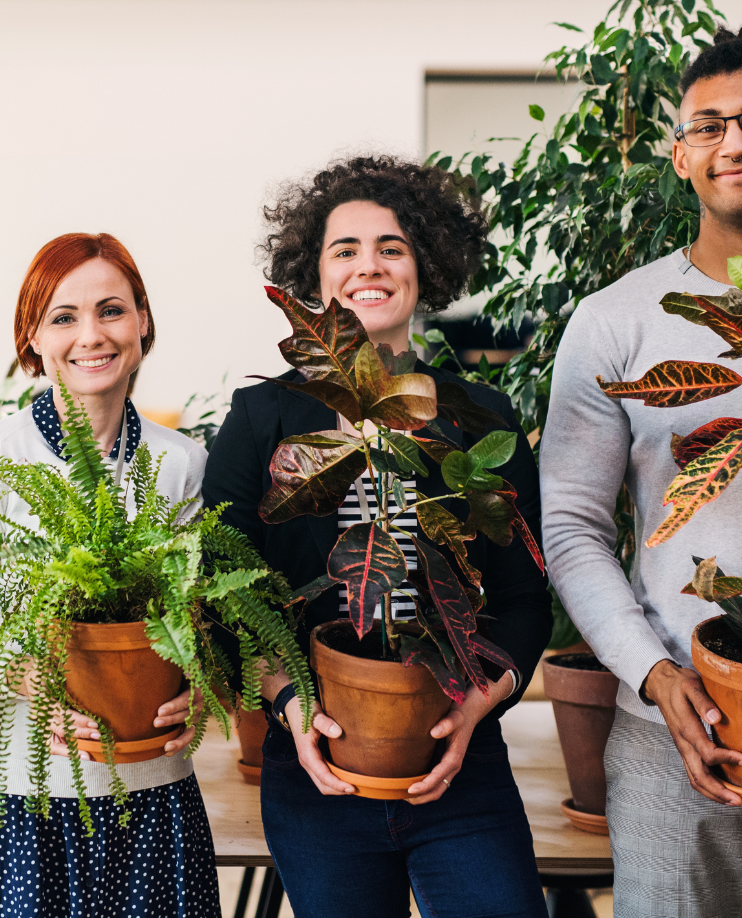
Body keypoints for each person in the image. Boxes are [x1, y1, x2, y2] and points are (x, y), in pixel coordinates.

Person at [541, 0, 742, 918]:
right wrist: (654, 675)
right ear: (681, 154)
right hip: (667, 722)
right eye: (708, 126)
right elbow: (574, 526)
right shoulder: (617, 320)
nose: (734, 143)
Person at [202, 154, 551, 918]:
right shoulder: (263, 420)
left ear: (425, 266)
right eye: (346, 250)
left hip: (462, 763)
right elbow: (225, 588)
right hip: (317, 767)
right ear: (314, 278)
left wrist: (473, 714)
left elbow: (526, 604)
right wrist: (291, 704)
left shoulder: (479, 418)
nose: (371, 266)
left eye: (392, 247)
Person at [0, 232, 220, 918]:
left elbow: (206, 613)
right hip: (22, 802)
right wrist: (23, 674)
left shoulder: (182, 463)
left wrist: (204, 680)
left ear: (142, 323)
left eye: (111, 310)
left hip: (153, 793)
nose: (91, 335)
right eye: (63, 317)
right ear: (32, 338)